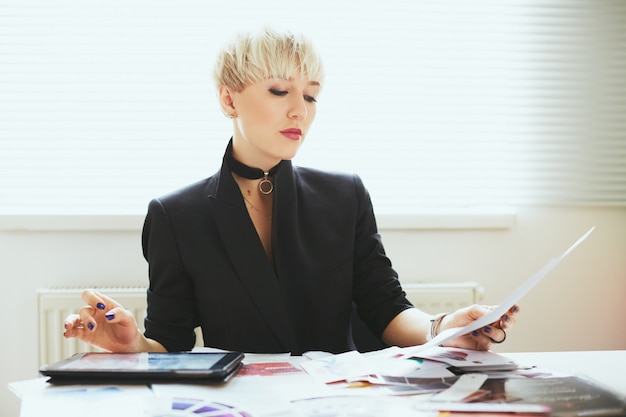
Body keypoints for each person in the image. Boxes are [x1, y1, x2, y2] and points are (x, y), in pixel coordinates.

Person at [63, 27, 519, 356]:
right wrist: (131, 345)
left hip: (343, 400)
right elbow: (171, 338)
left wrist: (442, 327)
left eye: (312, 95)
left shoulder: (346, 195)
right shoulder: (174, 214)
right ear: (229, 100)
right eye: (280, 90)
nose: (299, 110)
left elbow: (387, 309)